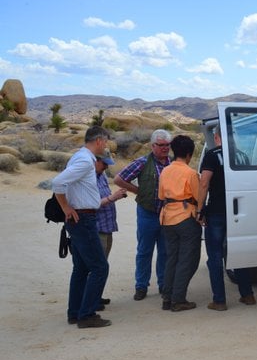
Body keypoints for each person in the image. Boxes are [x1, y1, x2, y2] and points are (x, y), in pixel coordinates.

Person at [52, 126, 111, 328]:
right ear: (99, 141)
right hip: (83, 219)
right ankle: (86, 315)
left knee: (81, 268)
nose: (106, 145)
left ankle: (75, 312)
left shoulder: (80, 157)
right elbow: (58, 182)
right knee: (100, 267)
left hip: (80, 219)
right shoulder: (85, 160)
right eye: (106, 141)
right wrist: (66, 207)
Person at [197, 125, 255, 311]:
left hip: (216, 212)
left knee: (215, 256)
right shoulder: (241, 156)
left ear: (216, 137)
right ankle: (247, 295)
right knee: (238, 253)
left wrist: (200, 209)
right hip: (237, 211)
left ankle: (219, 300)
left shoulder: (213, 155)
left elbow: (204, 182)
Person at [114, 129, 172, 301]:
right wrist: (138, 191)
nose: (165, 148)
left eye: (167, 145)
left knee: (165, 251)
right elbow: (118, 179)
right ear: (152, 145)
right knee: (144, 251)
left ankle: (163, 284)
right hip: (147, 214)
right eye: (161, 145)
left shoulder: (173, 164)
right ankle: (141, 286)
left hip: (167, 214)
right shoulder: (142, 162)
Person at [158, 135, 201, 312]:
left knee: (172, 258)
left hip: (167, 218)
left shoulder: (165, 171)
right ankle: (178, 299)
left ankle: (167, 297)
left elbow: (161, 196)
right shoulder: (190, 173)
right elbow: (199, 198)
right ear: (189, 154)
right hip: (185, 218)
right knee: (188, 259)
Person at [95, 149, 127, 307]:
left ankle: (96, 295)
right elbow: (90, 204)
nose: (106, 167)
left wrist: (113, 197)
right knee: (96, 266)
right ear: (96, 161)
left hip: (107, 228)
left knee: (103, 264)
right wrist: (112, 198)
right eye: (104, 164)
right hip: (97, 229)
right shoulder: (89, 179)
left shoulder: (101, 176)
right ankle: (91, 300)